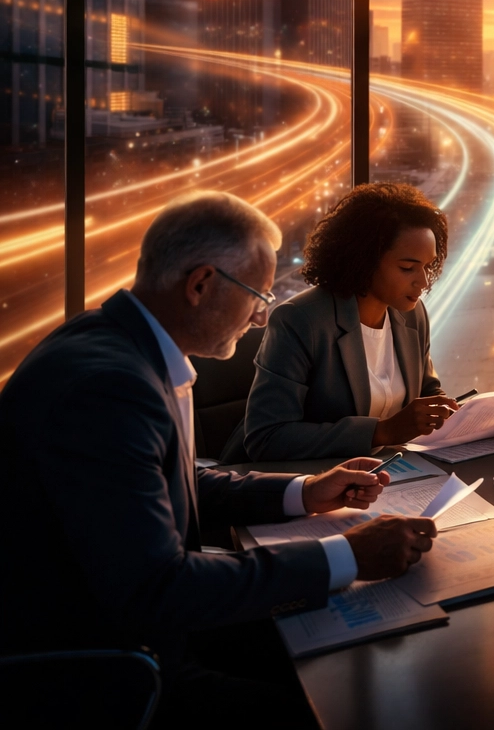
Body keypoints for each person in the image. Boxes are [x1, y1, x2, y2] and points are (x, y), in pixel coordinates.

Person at [0, 192, 438, 727]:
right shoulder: (109, 388)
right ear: (201, 284)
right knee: (362, 704)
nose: (259, 318)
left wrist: (302, 491)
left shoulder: (121, 348)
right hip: (109, 663)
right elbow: (157, 589)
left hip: (146, 620)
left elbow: (174, 485)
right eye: (256, 294)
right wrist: (346, 555)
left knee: (373, 659)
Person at [239, 183, 494, 461]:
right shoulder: (300, 321)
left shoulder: (411, 314)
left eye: (428, 267)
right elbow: (266, 438)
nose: (423, 282)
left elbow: (428, 396)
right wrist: (383, 431)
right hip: (318, 485)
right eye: (408, 268)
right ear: (363, 260)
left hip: (392, 473)